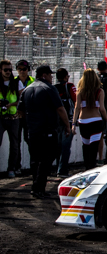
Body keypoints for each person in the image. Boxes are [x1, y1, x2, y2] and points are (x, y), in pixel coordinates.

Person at [20, 65, 72, 197]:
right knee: (47, 158)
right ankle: (39, 187)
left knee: (35, 159)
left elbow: (20, 110)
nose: (51, 77)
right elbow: (60, 108)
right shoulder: (49, 88)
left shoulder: (27, 89)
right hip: (47, 130)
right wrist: (67, 125)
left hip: (32, 130)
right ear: (44, 75)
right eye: (50, 75)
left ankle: (35, 186)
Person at [73, 69, 107, 171]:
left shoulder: (79, 91)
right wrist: (106, 119)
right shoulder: (100, 91)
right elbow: (102, 108)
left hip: (83, 121)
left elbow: (77, 108)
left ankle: (87, 167)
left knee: (86, 146)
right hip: (96, 121)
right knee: (94, 147)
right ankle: (92, 168)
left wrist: (73, 124)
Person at [0, 60, 21, 177]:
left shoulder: (16, 83)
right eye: (5, 70)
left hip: (13, 117)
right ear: (0, 70)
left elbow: (22, 99)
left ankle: (11, 169)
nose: (8, 72)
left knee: (14, 144)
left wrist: (11, 105)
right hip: (1, 117)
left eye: (9, 69)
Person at [54, 68, 76, 177]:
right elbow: (76, 101)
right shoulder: (70, 86)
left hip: (56, 120)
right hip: (69, 119)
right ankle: (62, 171)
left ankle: (58, 168)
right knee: (66, 146)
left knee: (58, 146)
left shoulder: (53, 88)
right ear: (66, 76)